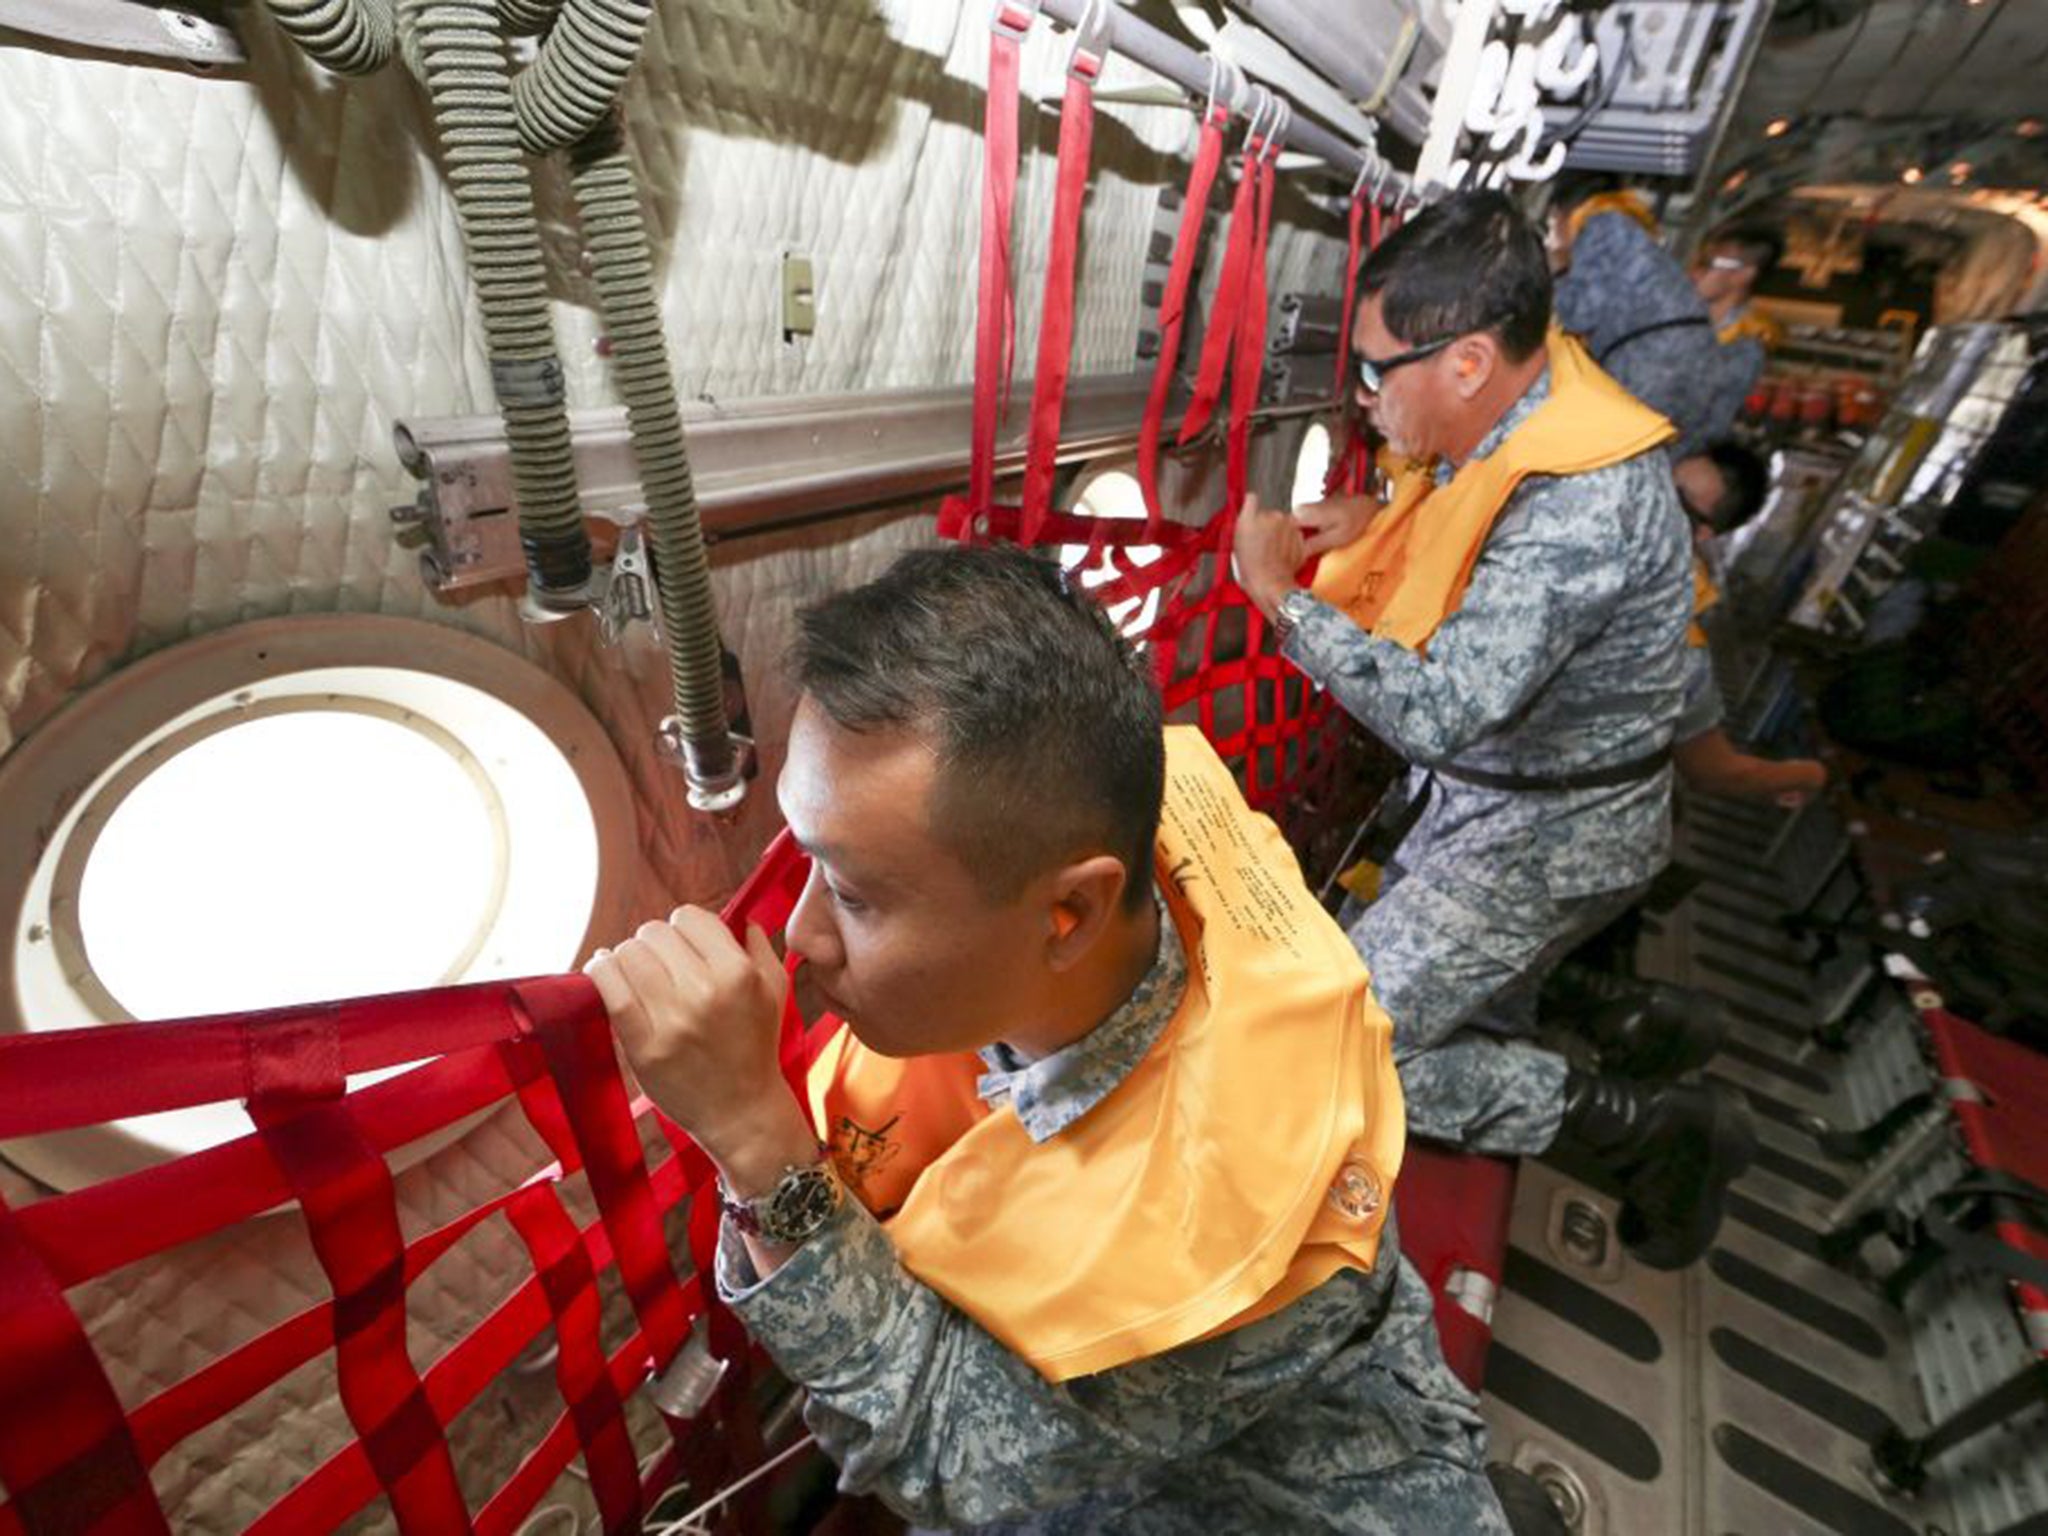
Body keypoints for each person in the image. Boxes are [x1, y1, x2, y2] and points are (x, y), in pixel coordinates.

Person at [586, 546, 1511, 1533]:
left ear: (1067, 914)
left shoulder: (1220, 1221)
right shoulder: (1082, 860)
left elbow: (957, 1463)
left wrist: (756, 1142)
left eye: (852, 894)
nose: (802, 939)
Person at [1233, 190, 1754, 1270]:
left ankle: (1641, 1128)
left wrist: (1282, 598)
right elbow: (1471, 510)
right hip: (1514, 799)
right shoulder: (1534, 394)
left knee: (1331, 1054)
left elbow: (1440, 710)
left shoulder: (1582, 504)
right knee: (1428, 993)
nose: (1363, 397)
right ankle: (1611, 1006)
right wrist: (1379, 521)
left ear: (1466, 362)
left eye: (1376, 372)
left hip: (1542, 836)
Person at [1672, 442, 1827, 806]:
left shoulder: (1672, 639)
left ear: (1704, 533)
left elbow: (1716, 772)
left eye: (1677, 499)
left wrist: (1811, 776)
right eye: (1652, 480)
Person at [1546, 172, 1732, 458]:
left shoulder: (1601, 223)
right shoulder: (1631, 226)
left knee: (1601, 449)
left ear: (1563, 211)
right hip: (1682, 357)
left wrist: (1556, 269)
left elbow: (1579, 313)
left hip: (1654, 360)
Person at [1693, 225, 1787, 440]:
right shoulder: (1679, 315)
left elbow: (1712, 423)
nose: (1695, 272)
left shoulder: (1744, 344)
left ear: (1744, 274)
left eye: (1709, 264)